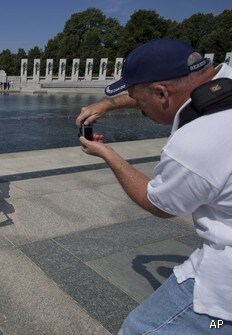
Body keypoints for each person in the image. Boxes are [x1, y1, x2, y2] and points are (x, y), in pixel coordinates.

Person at [75, 39, 232, 333]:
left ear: (161, 93)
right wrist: (109, 103)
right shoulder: (223, 80)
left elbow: (159, 204)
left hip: (225, 290)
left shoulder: (195, 143)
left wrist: (108, 154)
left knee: (139, 329)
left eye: (137, 98)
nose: (138, 108)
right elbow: (158, 92)